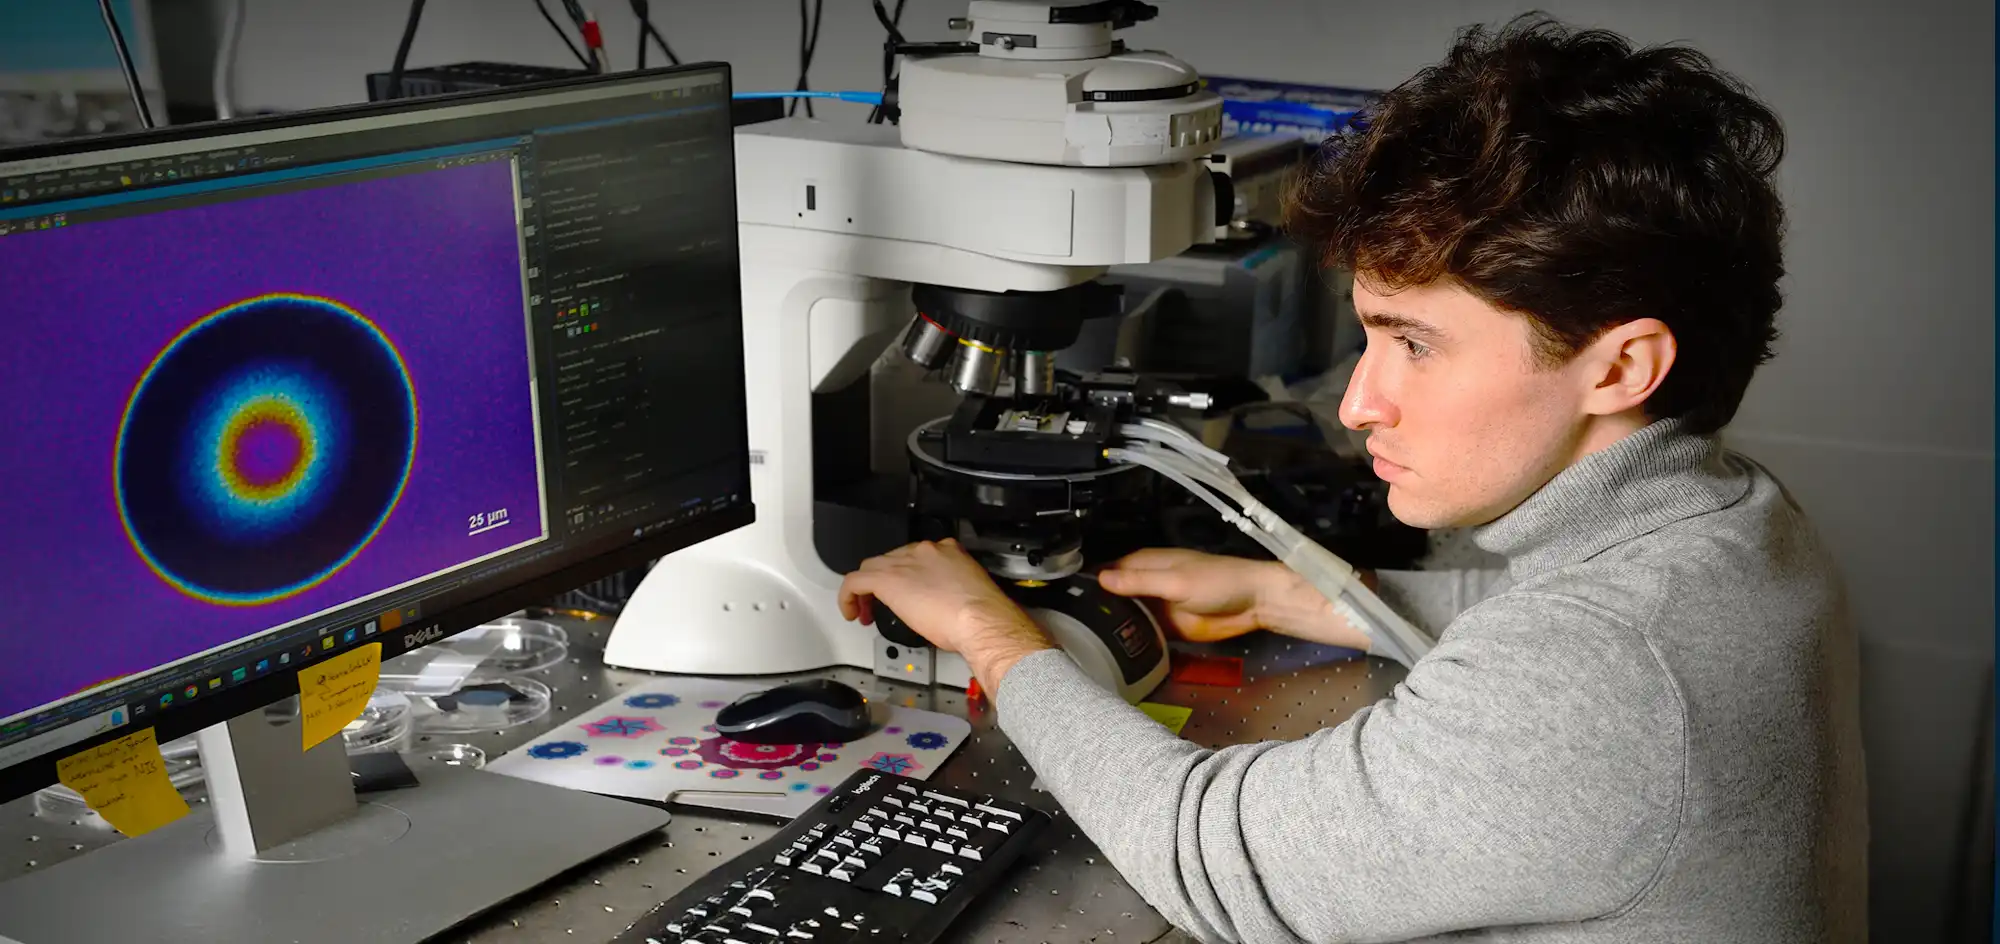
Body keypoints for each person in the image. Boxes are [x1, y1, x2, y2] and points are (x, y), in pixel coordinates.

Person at [837, 13, 1868, 944]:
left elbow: (1206, 853)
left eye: (1413, 344)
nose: (1358, 403)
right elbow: (1543, 626)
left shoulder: (1604, 668)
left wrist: (994, 636)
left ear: (1619, 365)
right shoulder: (1737, 522)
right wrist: (1295, 593)